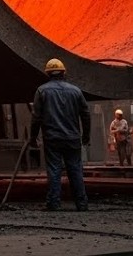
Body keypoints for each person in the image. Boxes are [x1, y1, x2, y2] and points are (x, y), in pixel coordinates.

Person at [29, 58, 91, 211]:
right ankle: (82, 204)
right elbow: (86, 114)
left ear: (48, 74)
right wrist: (86, 135)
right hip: (72, 138)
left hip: (52, 138)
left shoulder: (42, 91)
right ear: (64, 72)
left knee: (54, 170)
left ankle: (54, 204)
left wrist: (33, 137)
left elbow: (36, 117)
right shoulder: (75, 91)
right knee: (75, 169)